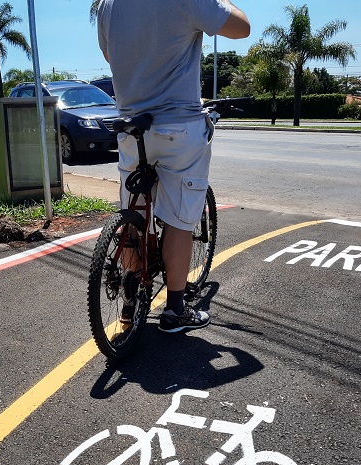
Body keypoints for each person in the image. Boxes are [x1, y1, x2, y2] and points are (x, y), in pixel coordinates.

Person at [97, 0, 250, 333]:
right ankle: (176, 310)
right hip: (178, 127)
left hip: (130, 126)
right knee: (181, 218)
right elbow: (242, 27)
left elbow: (110, 54)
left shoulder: (108, 4)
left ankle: (130, 302)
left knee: (134, 216)